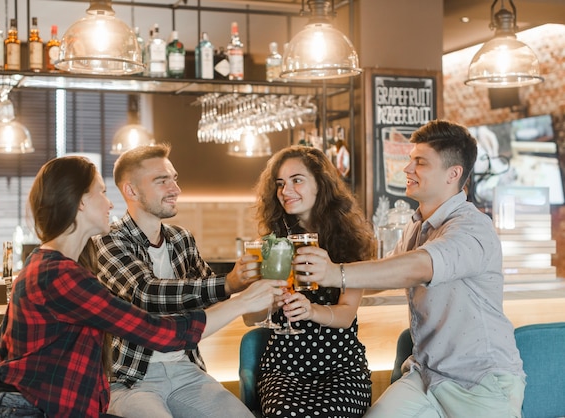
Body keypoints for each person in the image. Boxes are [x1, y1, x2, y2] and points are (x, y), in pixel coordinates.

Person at [0, 156, 283, 418]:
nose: (110, 202)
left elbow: (3, 346)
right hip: (28, 410)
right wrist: (240, 300)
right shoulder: (57, 273)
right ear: (81, 202)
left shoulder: (51, 264)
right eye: (101, 192)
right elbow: (157, 332)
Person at [293, 120, 526, 418]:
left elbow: (420, 266)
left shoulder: (472, 228)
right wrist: (322, 278)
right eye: (410, 159)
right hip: (426, 375)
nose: (407, 169)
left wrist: (335, 272)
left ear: (452, 174)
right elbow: (386, 272)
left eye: (420, 162)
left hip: (479, 381)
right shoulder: (418, 225)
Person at [92, 144, 270, 418]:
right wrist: (229, 284)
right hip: (129, 379)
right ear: (131, 191)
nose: (175, 189)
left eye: (174, 178)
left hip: (185, 370)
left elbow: (210, 292)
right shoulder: (108, 240)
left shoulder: (180, 238)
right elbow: (146, 294)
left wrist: (247, 280)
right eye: (162, 180)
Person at [242, 145, 376, 418]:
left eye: (297, 180)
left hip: (341, 367)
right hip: (283, 368)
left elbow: (346, 315)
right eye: (280, 183)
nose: (285, 190)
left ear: (321, 184)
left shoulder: (351, 243)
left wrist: (311, 310)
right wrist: (271, 303)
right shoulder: (271, 244)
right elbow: (249, 318)